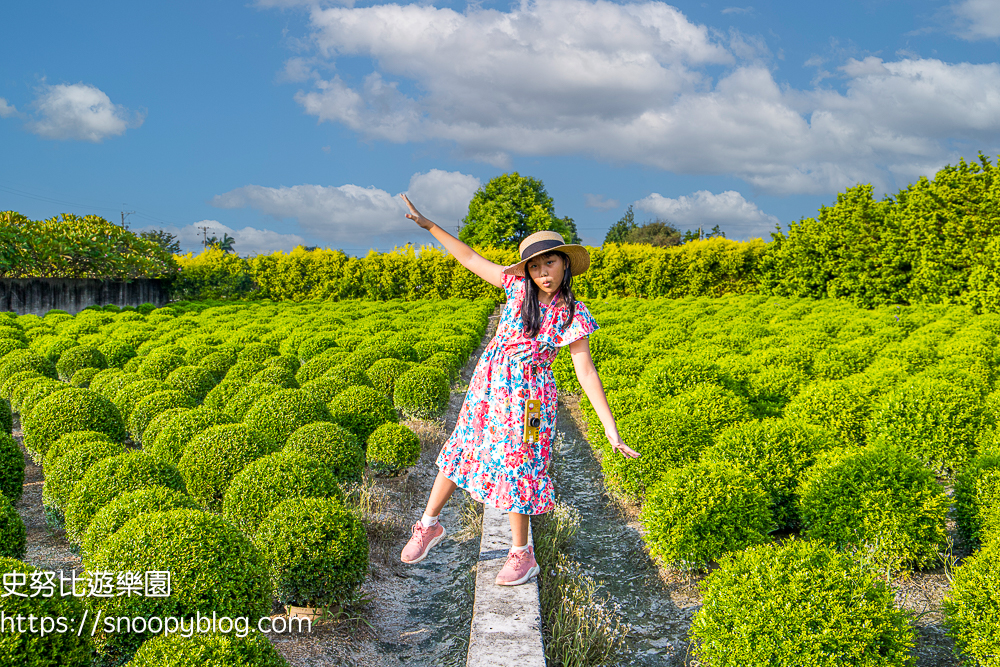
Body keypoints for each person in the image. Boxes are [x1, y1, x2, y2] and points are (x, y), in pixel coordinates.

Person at [398, 193, 640, 586]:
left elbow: (586, 371)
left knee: (519, 462)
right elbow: (469, 257)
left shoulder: (574, 313)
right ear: (525, 270)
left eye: (551, 261)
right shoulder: (514, 288)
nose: (544, 271)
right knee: (462, 445)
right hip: (490, 385)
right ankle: (428, 524)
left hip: (530, 397)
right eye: (536, 265)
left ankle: (522, 554)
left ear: (565, 264)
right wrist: (429, 226)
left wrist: (609, 428)